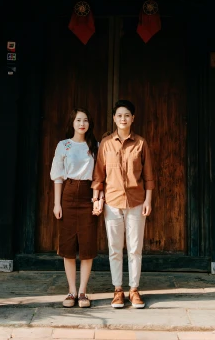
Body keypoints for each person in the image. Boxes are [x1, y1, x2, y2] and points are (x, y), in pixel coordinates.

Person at [91, 99, 154, 309]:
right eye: (119, 115)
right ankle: (118, 290)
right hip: (112, 201)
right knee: (115, 248)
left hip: (136, 202)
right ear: (114, 118)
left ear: (133, 118)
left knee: (135, 248)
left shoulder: (141, 143)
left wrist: (148, 200)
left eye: (127, 115)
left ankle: (134, 289)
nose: (123, 119)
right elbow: (99, 175)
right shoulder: (106, 144)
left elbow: (149, 176)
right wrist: (97, 200)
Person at [51, 107, 99, 308]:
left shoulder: (95, 146)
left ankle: (82, 292)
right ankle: (71, 291)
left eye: (86, 120)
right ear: (72, 122)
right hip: (69, 193)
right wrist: (57, 203)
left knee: (87, 246)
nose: (82, 123)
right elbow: (58, 176)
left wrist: (97, 199)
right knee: (68, 246)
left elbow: (99, 176)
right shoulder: (64, 145)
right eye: (78, 120)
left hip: (88, 194)